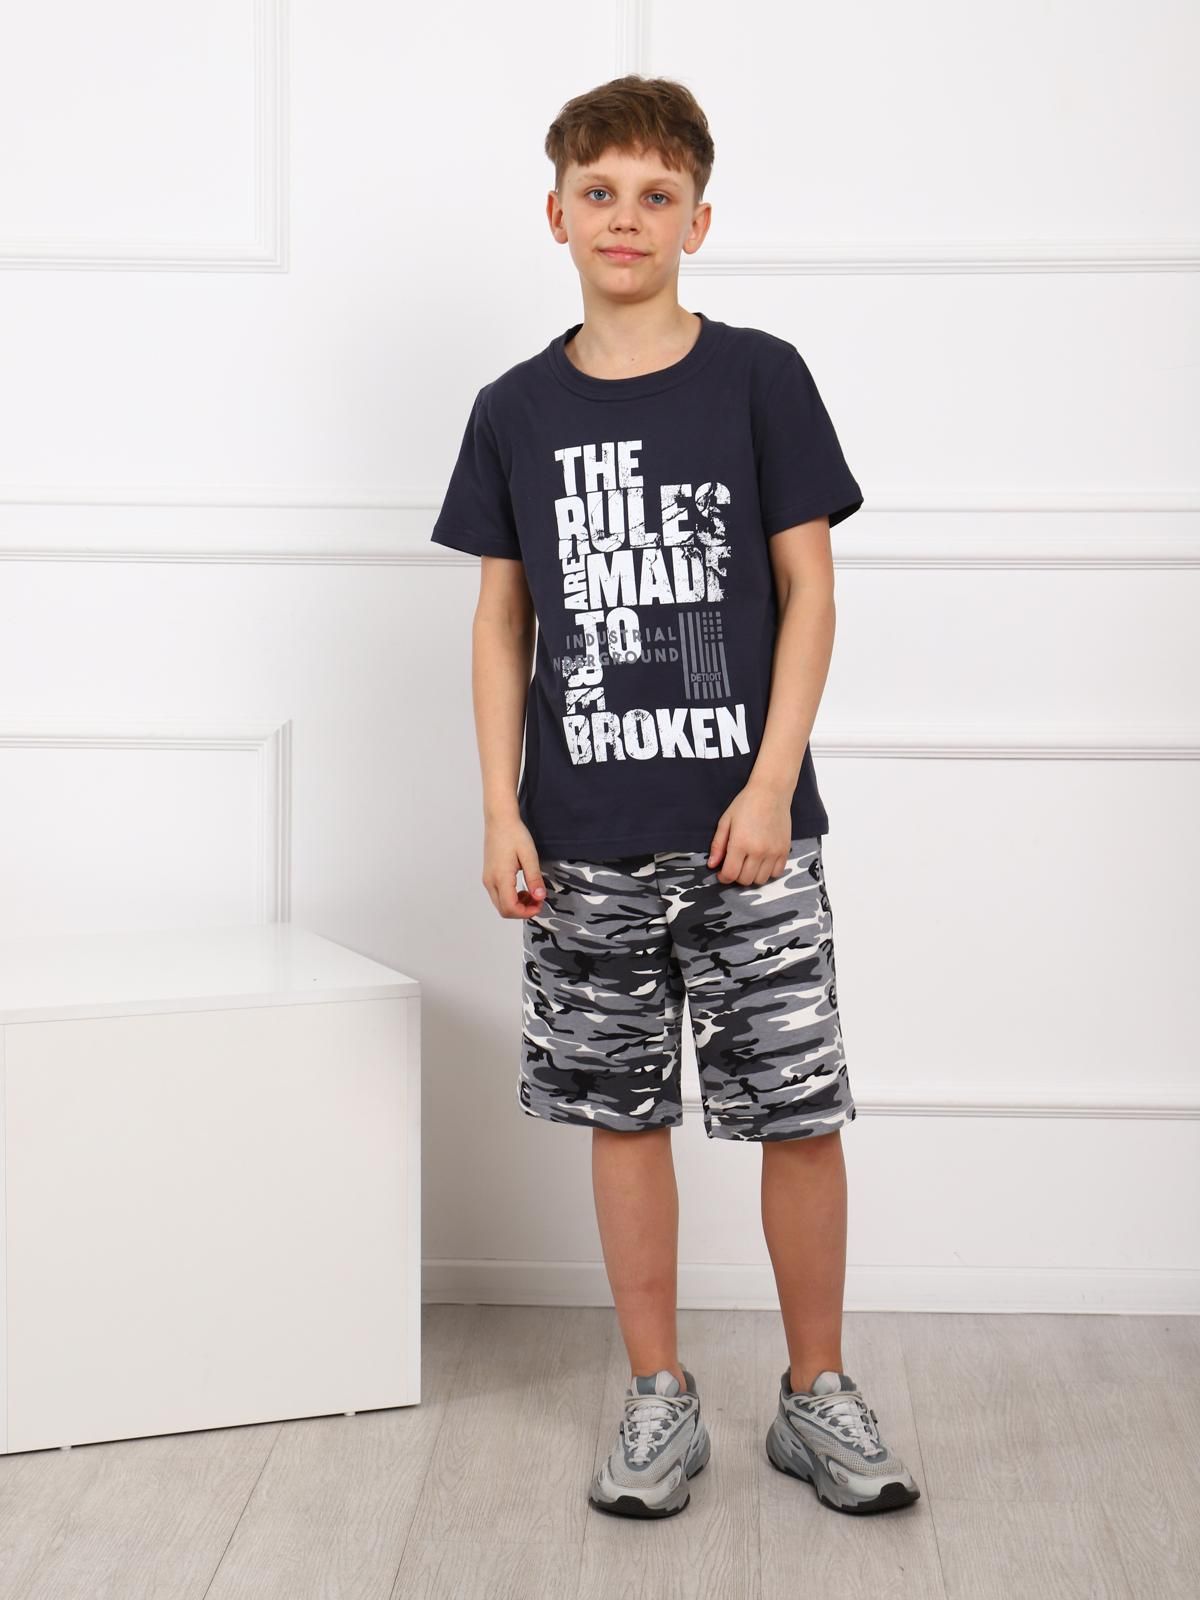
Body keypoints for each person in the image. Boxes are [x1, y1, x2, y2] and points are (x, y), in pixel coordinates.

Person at [430, 73, 921, 1521]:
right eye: (599, 193)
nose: (626, 218)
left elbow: (809, 590)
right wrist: (501, 808)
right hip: (581, 838)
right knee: (622, 1113)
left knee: (798, 1112)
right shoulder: (515, 410)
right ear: (555, 214)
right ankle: (659, 1396)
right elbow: (502, 623)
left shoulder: (760, 377)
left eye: (656, 196)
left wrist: (771, 786)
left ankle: (816, 1392)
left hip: (750, 837)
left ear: (698, 219)